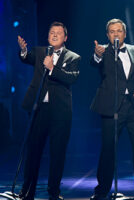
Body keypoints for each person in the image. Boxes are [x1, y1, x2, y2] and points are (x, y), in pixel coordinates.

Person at [17, 21, 80, 200]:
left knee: (57, 153)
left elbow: (72, 79)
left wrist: (52, 69)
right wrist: (23, 50)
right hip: (38, 109)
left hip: (60, 113)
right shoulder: (39, 52)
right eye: (52, 32)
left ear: (65, 37)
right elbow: (26, 57)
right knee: (33, 152)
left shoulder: (73, 57)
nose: (54, 35)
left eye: (58, 33)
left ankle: (54, 191)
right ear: (48, 35)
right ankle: (27, 190)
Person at [89, 18, 134, 200]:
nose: (116, 34)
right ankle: (101, 191)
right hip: (112, 106)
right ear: (107, 35)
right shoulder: (102, 51)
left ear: (124, 33)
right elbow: (95, 62)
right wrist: (97, 54)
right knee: (108, 149)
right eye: (112, 31)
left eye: (119, 31)